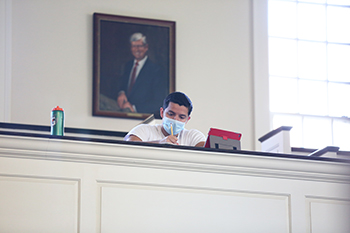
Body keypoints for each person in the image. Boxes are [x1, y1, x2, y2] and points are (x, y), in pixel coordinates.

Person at [124, 92, 206, 147]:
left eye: (181, 117)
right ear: (162, 112)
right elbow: (130, 145)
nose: (175, 119)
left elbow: (206, 153)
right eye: (171, 114)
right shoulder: (144, 130)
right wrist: (160, 143)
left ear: (187, 119)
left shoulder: (193, 136)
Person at [117, 32, 168, 116]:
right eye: (134, 46)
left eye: (139, 46)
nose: (136, 49)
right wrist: (121, 93)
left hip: (142, 117)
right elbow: (123, 85)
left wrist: (134, 107)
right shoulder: (128, 66)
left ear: (146, 47)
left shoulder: (156, 70)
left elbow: (159, 101)